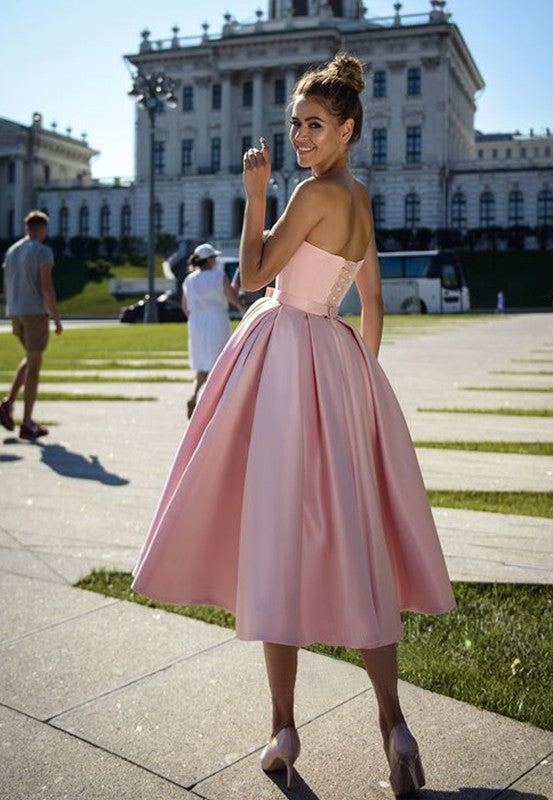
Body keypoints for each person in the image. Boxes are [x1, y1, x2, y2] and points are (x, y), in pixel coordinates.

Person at [132, 53, 455, 796]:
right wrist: (358, 384)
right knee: (357, 535)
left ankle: (282, 726)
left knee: (275, 535)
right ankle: (393, 726)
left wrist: (253, 196)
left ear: (346, 129)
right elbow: (368, 303)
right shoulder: (363, 199)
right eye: (295, 125)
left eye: (314, 125)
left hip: (283, 355)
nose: (301, 137)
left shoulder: (310, 193)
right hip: (336, 359)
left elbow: (252, 275)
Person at [0, 210, 62, 440]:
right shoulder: (42, 251)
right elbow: (46, 287)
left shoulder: (12, 251)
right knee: (35, 367)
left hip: (15, 311)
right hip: (35, 312)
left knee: (29, 357)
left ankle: (8, 403)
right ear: (42, 229)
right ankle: (26, 423)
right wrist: (55, 317)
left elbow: (6, 284)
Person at [181, 242, 243, 418]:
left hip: (196, 321)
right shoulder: (218, 275)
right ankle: (215, 403)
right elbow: (231, 296)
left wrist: (196, 319)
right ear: (208, 260)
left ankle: (195, 395)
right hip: (216, 318)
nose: (215, 260)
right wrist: (240, 305)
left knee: (202, 362)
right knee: (220, 360)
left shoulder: (189, 279)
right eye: (213, 257)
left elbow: (185, 307)